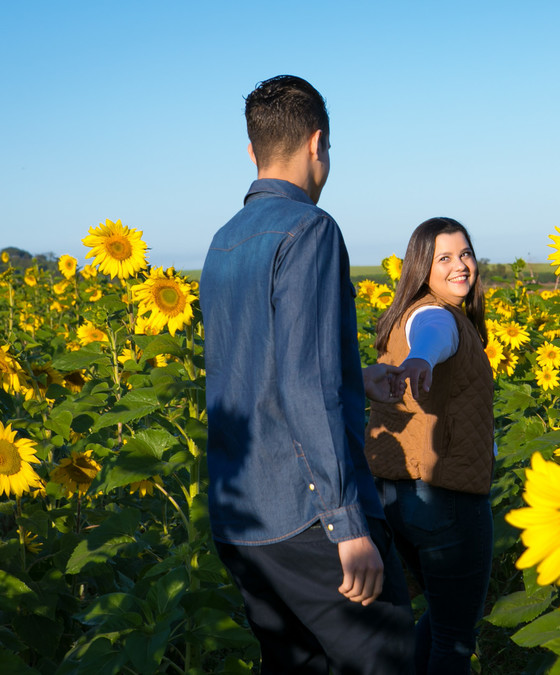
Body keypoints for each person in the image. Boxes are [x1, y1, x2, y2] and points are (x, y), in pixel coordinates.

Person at [201, 75, 414, 674]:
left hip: (240, 517)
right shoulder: (311, 230)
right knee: (386, 661)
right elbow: (304, 385)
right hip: (307, 514)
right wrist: (347, 526)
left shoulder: (224, 242)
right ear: (318, 144)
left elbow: (251, 365)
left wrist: (356, 375)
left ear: (252, 150)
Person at [364, 218, 495, 675]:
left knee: (441, 621)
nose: (461, 266)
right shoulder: (434, 315)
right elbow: (433, 336)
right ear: (423, 268)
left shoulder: (405, 314)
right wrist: (421, 356)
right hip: (445, 498)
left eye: (465, 254)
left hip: (400, 495)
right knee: (456, 640)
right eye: (444, 258)